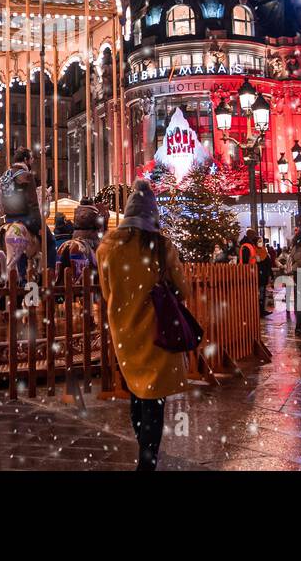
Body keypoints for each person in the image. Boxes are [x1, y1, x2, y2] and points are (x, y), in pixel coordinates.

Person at [97, 179, 191, 471]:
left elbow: (106, 290)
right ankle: (146, 461)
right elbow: (182, 289)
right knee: (154, 401)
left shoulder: (107, 248)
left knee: (137, 395)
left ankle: (144, 451)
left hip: (125, 330)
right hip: (156, 331)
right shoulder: (161, 247)